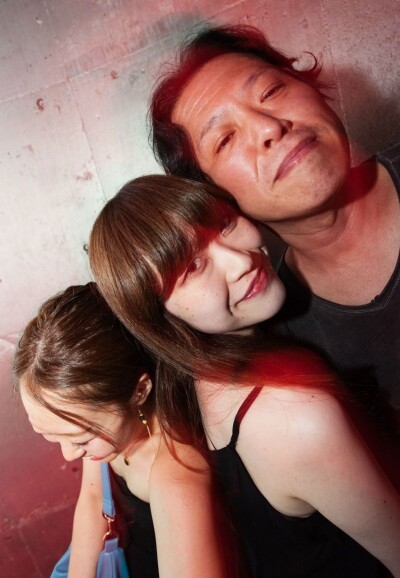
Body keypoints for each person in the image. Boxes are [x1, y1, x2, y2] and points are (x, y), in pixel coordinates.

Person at [89, 174, 400, 577]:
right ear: (159, 318)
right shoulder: (291, 416)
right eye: (192, 267)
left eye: (224, 223)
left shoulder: (187, 386)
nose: (241, 261)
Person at [149, 24, 400, 413]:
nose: (269, 127)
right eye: (225, 139)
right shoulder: (287, 349)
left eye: (271, 92)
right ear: (216, 196)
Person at [13, 283, 237, 578]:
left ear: (139, 391)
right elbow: (94, 501)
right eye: (53, 437)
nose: (69, 455)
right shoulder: (101, 427)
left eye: (81, 439)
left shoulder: (176, 480)